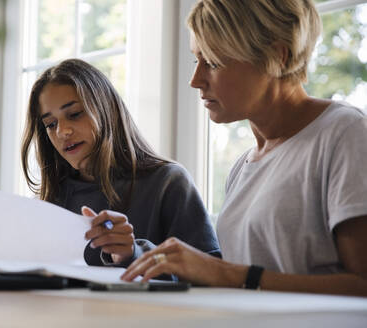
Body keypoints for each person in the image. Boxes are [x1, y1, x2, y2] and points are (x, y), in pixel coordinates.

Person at [121, 0, 367, 296]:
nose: (195, 80)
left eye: (212, 62)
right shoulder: (242, 167)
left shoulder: (344, 133)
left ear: (276, 56)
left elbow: (362, 284)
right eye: (196, 60)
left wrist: (226, 273)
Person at [21, 58, 220, 268]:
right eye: (51, 124)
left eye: (75, 114)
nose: (62, 132)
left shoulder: (168, 183)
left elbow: (210, 273)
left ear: (108, 109)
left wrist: (133, 253)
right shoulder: (48, 202)